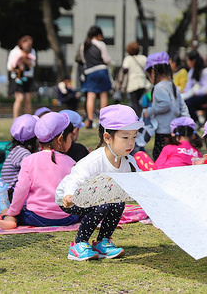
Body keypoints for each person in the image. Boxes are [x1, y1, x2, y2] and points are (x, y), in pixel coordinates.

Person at [56, 104, 144, 261]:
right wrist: (69, 194)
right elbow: (75, 177)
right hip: (71, 197)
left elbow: (141, 181)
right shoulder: (94, 160)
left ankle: (103, 241)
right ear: (107, 137)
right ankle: (79, 245)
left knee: (117, 202)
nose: (131, 143)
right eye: (125, 137)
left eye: (134, 137)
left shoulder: (128, 162)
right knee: (101, 204)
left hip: (99, 196)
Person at [0, 113, 80, 229]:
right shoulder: (71, 162)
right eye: (71, 137)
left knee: (14, 211)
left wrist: (12, 212)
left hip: (36, 217)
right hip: (67, 218)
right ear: (61, 139)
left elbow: (21, 190)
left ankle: (10, 220)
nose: (72, 141)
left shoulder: (29, 160)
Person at [143, 51, 189, 161]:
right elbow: (182, 106)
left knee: (159, 157)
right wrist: (187, 122)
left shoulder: (159, 87)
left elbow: (165, 104)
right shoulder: (172, 85)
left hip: (163, 131)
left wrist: (149, 111)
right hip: (174, 130)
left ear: (153, 72)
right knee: (172, 157)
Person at [80, 26, 113, 128]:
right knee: (103, 95)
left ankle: (90, 120)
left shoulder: (84, 45)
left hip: (90, 72)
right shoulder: (101, 44)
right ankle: (102, 121)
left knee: (91, 96)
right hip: (101, 70)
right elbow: (106, 59)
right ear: (98, 35)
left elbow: (83, 60)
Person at [1, 114, 39, 198]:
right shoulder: (22, 153)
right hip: (11, 194)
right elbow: (33, 172)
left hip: (9, 193)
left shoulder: (17, 150)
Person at [7, 35, 37, 119]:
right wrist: (18, 68)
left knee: (28, 99)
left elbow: (32, 65)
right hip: (17, 78)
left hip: (28, 77)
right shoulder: (15, 52)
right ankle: (15, 119)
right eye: (28, 44)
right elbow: (10, 67)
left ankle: (28, 119)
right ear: (22, 43)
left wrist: (25, 60)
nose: (29, 46)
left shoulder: (32, 51)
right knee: (19, 98)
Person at [181, 50, 207, 122]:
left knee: (188, 103)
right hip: (193, 94)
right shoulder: (192, 71)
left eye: (188, 60)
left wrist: (196, 92)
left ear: (193, 61)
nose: (187, 63)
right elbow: (188, 85)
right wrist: (185, 91)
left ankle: (195, 121)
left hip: (204, 95)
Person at [121, 41, 151, 117]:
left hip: (132, 84)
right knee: (139, 101)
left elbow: (125, 70)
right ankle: (141, 114)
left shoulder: (128, 59)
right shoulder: (143, 58)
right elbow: (149, 69)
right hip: (143, 83)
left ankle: (137, 117)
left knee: (134, 102)